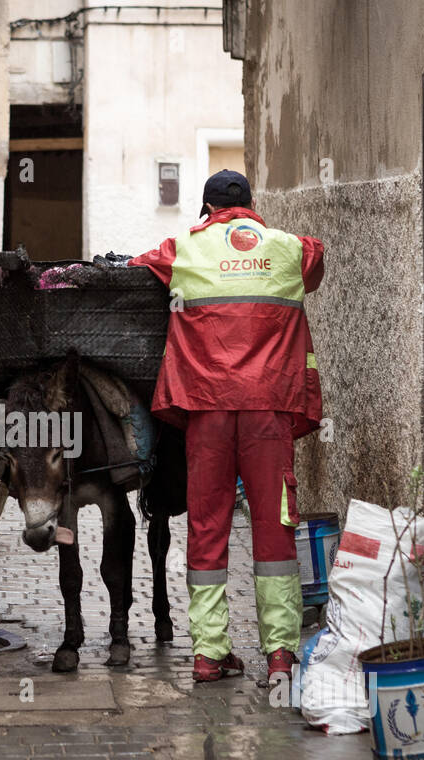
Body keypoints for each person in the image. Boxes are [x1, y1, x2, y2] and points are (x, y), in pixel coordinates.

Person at [128, 170, 325, 684]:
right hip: (269, 410)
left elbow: (134, 270)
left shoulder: (182, 250)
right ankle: (280, 654)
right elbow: (315, 260)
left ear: (206, 210)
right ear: (253, 205)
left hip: (207, 411)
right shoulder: (289, 249)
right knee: (274, 527)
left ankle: (208, 655)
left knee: (207, 525)